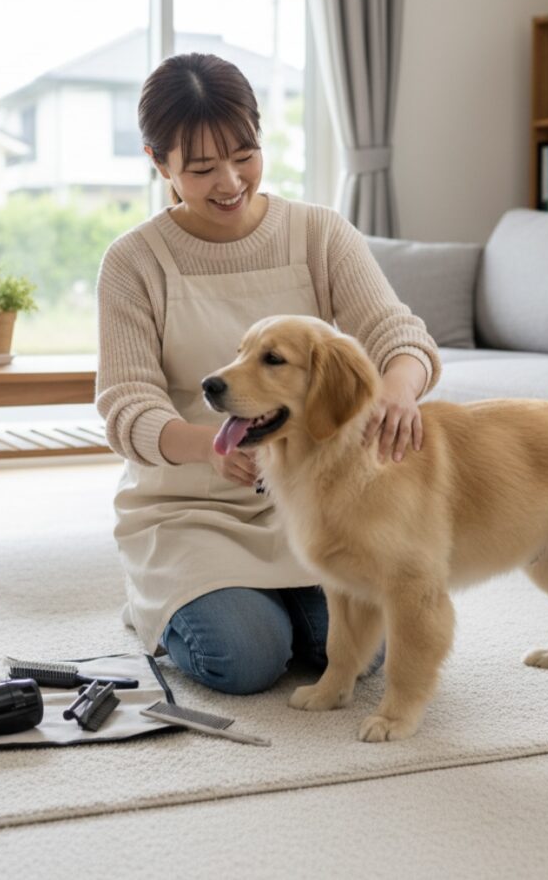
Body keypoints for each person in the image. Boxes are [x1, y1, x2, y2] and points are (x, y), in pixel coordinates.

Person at [96, 52, 441, 695]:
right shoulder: (133, 262)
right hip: (191, 509)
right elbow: (127, 405)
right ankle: (166, 598)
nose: (229, 181)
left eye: (244, 154)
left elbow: (401, 336)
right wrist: (212, 448)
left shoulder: (318, 234)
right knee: (246, 656)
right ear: (158, 162)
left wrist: (399, 390)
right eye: (201, 168)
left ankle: (265, 602)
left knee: (366, 653)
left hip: (317, 506)